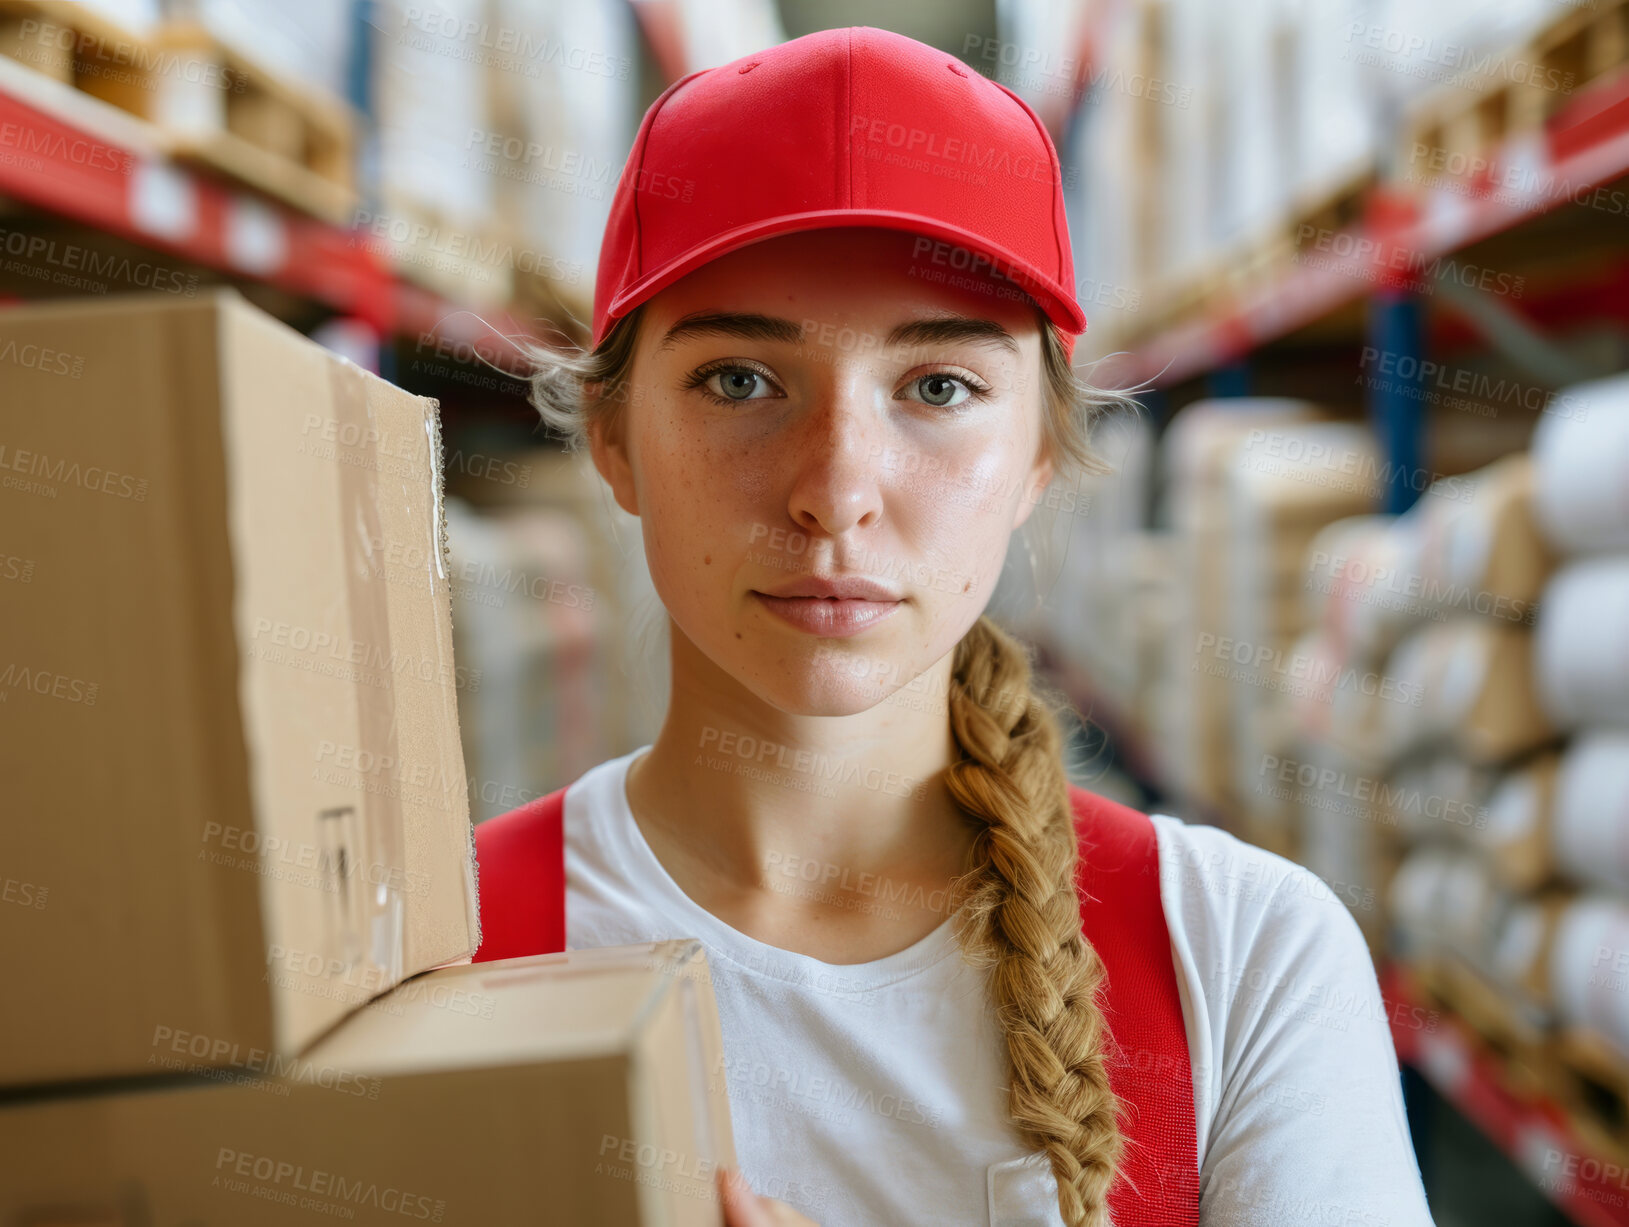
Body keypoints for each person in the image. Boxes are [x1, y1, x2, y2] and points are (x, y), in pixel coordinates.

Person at [472, 25, 1437, 1227]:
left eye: (937, 389)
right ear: (613, 440)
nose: (837, 488)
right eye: (739, 381)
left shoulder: (1244, 962)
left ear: (1040, 454)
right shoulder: (441, 955)